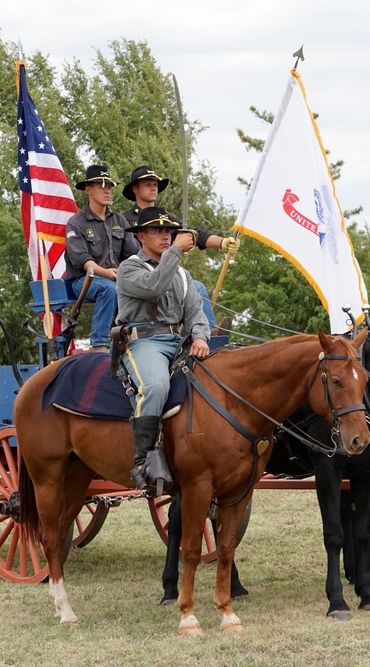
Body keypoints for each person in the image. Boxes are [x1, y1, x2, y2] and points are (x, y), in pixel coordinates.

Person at [116, 206, 211, 492]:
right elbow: (154, 287)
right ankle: (144, 461)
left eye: (169, 231)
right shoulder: (129, 268)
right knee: (156, 386)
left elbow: (196, 312)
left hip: (179, 344)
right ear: (141, 236)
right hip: (143, 343)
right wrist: (177, 253)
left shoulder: (182, 275)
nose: (166, 237)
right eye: (158, 231)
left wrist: (200, 337)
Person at [120, 165, 239, 329]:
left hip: (167, 274)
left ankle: (208, 333)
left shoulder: (167, 219)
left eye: (155, 184)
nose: (153, 188)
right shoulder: (123, 220)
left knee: (196, 286)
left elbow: (194, 234)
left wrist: (222, 243)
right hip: (137, 278)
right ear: (135, 189)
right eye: (148, 184)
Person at [64, 165, 139, 351]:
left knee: (147, 286)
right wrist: (106, 273)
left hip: (116, 278)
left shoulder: (119, 220)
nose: (107, 190)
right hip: (84, 281)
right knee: (109, 288)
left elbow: (133, 254)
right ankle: (99, 345)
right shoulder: (76, 222)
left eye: (110, 186)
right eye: (101, 185)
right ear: (88, 190)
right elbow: (82, 260)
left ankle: (142, 337)